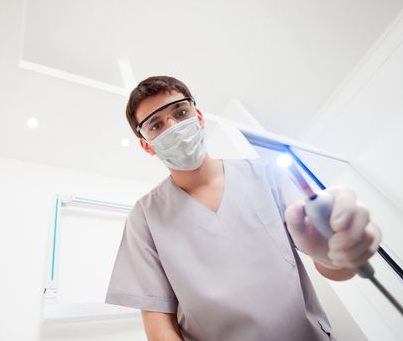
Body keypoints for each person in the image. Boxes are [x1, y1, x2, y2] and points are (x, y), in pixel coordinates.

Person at [105, 76, 382, 341]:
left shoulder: (265, 175)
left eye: (180, 112)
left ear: (198, 117)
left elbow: (335, 269)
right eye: (156, 125)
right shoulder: (145, 218)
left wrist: (339, 252)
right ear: (146, 145)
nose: (173, 127)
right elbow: (159, 328)